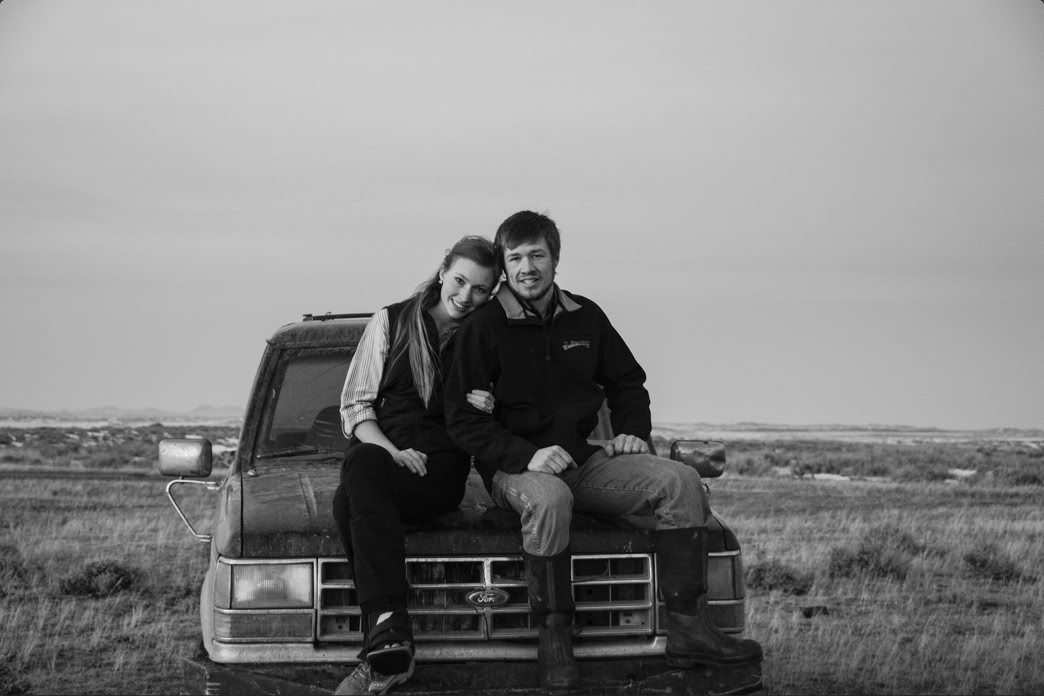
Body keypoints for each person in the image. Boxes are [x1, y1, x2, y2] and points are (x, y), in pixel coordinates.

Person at [443, 211, 762, 692]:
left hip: (585, 461)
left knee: (681, 482)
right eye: (516, 257)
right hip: (513, 471)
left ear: (555, 258)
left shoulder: (586, 317)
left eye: (537, 255)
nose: (527, 267)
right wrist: (524, 455)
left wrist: (631, 431)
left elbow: (628, 381)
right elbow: (462, 417)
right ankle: (555, 638)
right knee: (550, 497)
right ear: (504, 268)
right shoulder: (484, 327)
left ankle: (689, 630)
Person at [331, 235, 501, 696]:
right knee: (361, 468)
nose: (466, 296)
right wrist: (393, 452)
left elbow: (511, 412)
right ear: (444, 270)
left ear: (493, 291)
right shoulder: (392, 320)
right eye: (460, 281)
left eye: (480, 289)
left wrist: (490, 402)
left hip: (438, 471)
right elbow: (356, 407)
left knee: (347, 501)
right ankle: (389, 637)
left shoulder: (487, 336)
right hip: (383, 459)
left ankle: (385, 634)